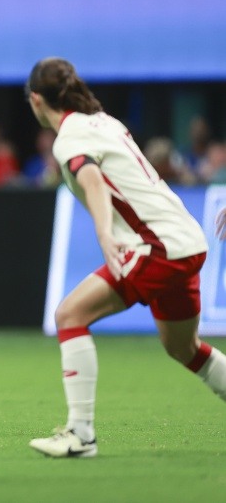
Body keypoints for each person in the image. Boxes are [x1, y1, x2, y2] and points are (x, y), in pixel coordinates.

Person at [23, 57, 226, 458]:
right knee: (183, 348)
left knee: (69, 316)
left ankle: (81, 435)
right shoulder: (103, 121)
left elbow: (93, 179)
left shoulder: (69, 136)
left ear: (36, 101)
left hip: (158, 247)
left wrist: (102, 230)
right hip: (187, 240)